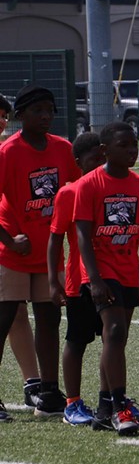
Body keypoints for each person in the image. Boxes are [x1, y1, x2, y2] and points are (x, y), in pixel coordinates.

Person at [73, 121, 139, 436]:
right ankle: (120, 406)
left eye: (134, 145)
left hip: (127, 271)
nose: (131, 151)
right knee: (113, 331)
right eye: (124, 145)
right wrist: (93, 279)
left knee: (116, 339)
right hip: (101, 272)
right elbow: (82, 235)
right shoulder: (89, 185)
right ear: (104, 150)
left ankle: (104, 407)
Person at [0, 85, 80, 419]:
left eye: (50, 110)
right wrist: (8, 239)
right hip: (12, 254)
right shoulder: (7, 152)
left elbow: (75, 193)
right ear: (21, 116)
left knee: (50, 318)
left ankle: (48, 392)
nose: (46, 116)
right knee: (3, 321)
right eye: (38, 111)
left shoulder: (62, 149)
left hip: (48, 254)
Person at [47, 131, 115, 426]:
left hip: (112, 278)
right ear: (78, 162)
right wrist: (54, 281)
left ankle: (110, 399)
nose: (100, 164)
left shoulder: (112, 188)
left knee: (111, 340)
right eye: (93, 160)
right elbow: (54, 239)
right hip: (79, 283)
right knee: (76, 341)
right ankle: (72, 403)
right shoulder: (69, 192)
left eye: (103, 158)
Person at [0, 93, 42, 421]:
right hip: (8, 244)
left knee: (15, 314)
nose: (1, 121)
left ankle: (33, 383)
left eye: (3, 115)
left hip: (14, 245)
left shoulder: (10, 150)